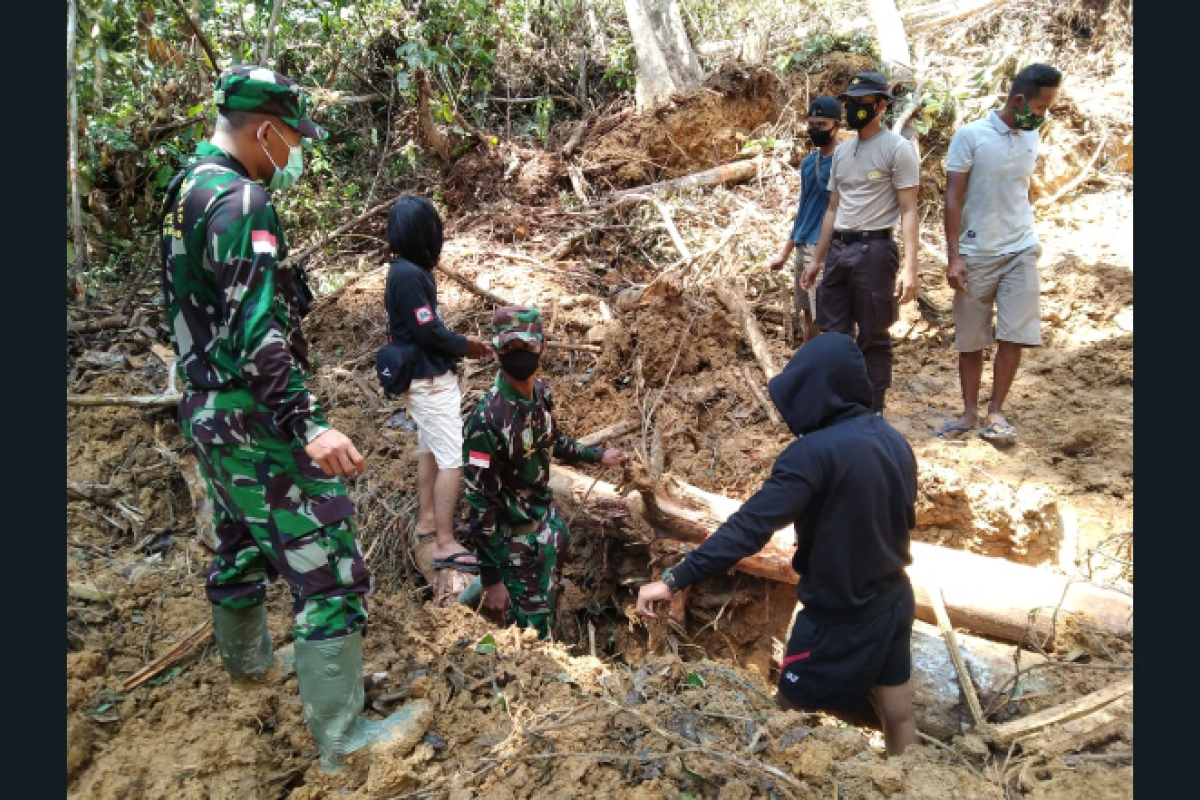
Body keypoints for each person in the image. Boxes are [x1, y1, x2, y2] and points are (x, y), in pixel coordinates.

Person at [160, 66, 428, 773]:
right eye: (292, 140)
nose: (294, 155)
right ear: (267, 131)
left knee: (242, 540)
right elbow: (257, 331)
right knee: (332, 572)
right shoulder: (242, 200)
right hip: (252, 418)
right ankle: (345, 744)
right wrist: (307, 423)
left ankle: (250, 667)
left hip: (205, 407)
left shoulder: (185, 189)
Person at [636, 333, 920, 756]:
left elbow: (749, 529)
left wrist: (676, 578)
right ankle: (912, 781)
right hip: (894, 598)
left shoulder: (812, 455)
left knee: (785, 715)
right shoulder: (893, 440)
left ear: (817, 390)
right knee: (898, 713)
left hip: (838, 612)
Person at [461, 306, 629, 638]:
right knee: (532, 639)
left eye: (526, 347)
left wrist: (598, 455)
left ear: (543, 347)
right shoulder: (487, 421)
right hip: (516, 545)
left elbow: (552, 439)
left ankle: (470, 601)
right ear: (495, 350)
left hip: (547, 527)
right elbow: (481, 506)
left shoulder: (540, 394)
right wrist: (493, 581)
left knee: (548, 604)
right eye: (509, 349)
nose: (518, 355)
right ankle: (466, 610)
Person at [937, 64, 1063, 442]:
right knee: (971, 339)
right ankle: (969, 413)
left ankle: (996, 411)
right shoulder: (971, 136)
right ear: (1019, 100)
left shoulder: (1031, 137)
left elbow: (1021, 188)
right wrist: (954, 256)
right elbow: (953, 198)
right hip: (976, 253)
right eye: (1040, 108)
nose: (1044, 116)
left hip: (1021, 249)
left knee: (1014, 334)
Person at [383, 196, 492, 594]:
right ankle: (445, 542)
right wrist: (467, 345)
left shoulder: (405, 271)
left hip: (424, 377)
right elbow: (429, 332)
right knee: (452, 459)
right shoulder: (409, 274)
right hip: (429, 380)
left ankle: (428, 520)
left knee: (429, 448)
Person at [800, 71, 921, 417]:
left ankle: (874, 409)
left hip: (875, 249)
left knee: (873, 332)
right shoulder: (843, 152)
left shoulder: (896, 149)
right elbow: (832, 209)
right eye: (848, 103)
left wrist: (910, 268)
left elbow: (909, 208)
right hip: (839, 249)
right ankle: (841, 405)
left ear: (881, 105)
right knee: (833, 333)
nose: (852, 109)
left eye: (860, 103)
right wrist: (816, 260)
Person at [769, 96, 844, 344]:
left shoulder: (845, 162)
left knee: (827, 314)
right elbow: (804, 210)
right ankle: (810, 367)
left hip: (825, 247)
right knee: (808, 313)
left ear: (838, 125)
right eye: (811, 124)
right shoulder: (809, 163)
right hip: (804, 245)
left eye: (822, 125)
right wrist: (785, 252)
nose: (815, 130)